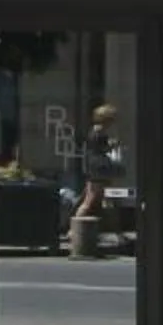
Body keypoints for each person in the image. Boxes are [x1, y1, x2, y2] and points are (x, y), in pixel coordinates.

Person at [73, 104, 124, 249]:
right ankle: (74, 230)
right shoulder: (100, 132)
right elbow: (103, 149)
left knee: (105, 200)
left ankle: (118, 233)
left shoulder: (94, 131)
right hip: (99, 170)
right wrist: (113, 145)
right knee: (91, 201)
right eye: (112, 118)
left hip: (95, 169)